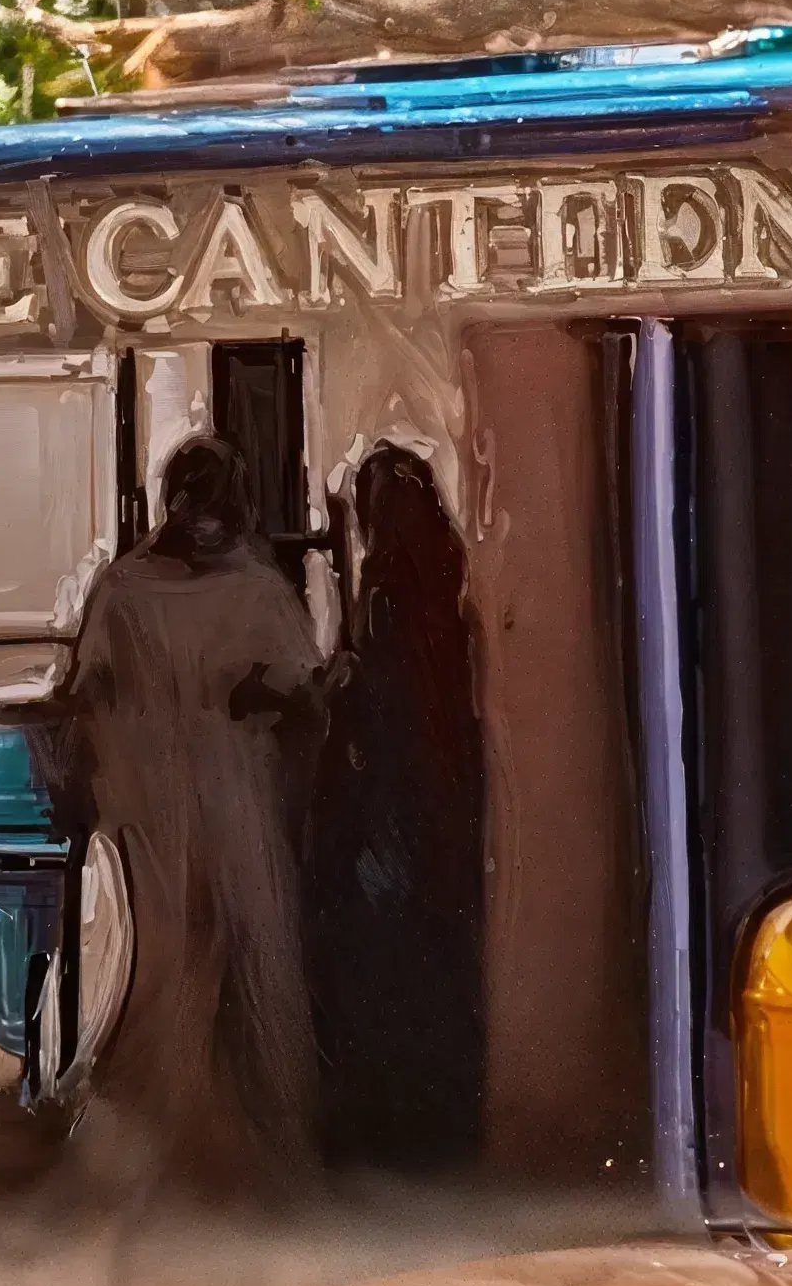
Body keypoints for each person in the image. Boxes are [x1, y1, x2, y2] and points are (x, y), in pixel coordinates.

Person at [61, 434, 324, 1199]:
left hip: (170, 800)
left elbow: (83, 697)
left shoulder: (132, 589)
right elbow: (302, 694)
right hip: (215, 795)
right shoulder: (241, 589)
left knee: (190, 957)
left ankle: (185, 1145)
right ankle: (212, 1147)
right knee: (214, 954)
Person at [307, 443, 490, 1176]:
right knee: (434, 957)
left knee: (376, 958)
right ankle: (438, 1126)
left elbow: (372, 703)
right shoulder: (446, 592)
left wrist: (339, 687)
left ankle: (380, 1129)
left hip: (387, 801)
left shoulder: (384, 596)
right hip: (439, 800)